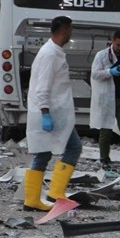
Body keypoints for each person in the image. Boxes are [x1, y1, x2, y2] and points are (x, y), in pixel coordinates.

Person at [24, 16, 80, 212]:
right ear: (64, 30)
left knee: (61, 150)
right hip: (49, 113)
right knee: (47, 152)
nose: (71, 33)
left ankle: (49, 194)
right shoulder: (49, 54)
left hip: (56, 112)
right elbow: (43, 88)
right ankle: (39, 197)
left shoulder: (55, 52)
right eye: (70, 29)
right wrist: (45, 113)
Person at [89, 30, 120, 173]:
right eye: (118, 45)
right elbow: (94, 74)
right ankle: (104, 159)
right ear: (113, 41)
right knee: (105, 130)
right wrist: (109, 72)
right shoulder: (102, 56)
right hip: (108, 99)